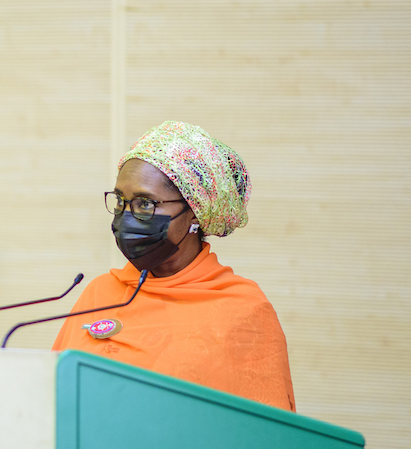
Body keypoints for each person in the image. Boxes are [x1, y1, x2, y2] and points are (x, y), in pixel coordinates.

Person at [52, 121, 295, 412]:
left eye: (145, 204)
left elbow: (263, 431)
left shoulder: (241, 310)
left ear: (194, 212)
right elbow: (52, 397)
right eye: (120, 201)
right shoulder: (99, 293)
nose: (126, 217)